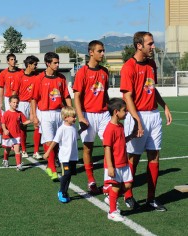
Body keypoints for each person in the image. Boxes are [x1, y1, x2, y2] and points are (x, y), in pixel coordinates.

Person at [120, 31, 172, 211]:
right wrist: (137, 121)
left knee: (154, 155)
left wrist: (164, 106)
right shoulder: (128, 67)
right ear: (139, 45)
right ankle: (128, 195)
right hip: (137, 115)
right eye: (150, 43)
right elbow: (127, 97)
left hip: (153, 115)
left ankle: (151, 198)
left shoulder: (151, 64)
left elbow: (152, 88)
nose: (153, 46)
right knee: (133, 158)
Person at [72, 40, 110, 194]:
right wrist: (80, 116)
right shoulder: (82, 72)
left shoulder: (105, 72)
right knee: (88, 148)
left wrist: (112, 111)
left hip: (104, 115)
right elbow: (77, 96)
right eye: (100, 51)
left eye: (103, 51)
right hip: (87, 115)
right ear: (91, 52)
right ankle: (91, 180)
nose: (102, 53)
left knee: (110, 146)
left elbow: (105, 93)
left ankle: (108, 181)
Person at [31, 52, 72, 181]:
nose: (57, 64)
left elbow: (66, 95)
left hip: (59, 112)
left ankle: (53, 165)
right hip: (45, 113)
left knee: (59, 141)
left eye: (58, 62)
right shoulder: (39, 78)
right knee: (49, 141)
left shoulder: (61, 78)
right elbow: (34, 99)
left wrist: (70, 110)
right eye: (55, 62)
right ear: (47, 63)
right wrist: (34, 115)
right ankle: (52, 168)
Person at [103, 98, 137, 222]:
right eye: (124, 110)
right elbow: (107, 148)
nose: (127, 112)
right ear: (116, 112)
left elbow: (121, 141)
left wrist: (132, 136)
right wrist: (110, 166)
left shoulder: (120, 126)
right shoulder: (110, 129)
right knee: (116, 187)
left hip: (124, 162)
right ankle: (112, 212)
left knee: (128, 184)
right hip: (115, 164)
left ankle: (110, 194)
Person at [43, 106, 78, 203]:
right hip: (65, 157)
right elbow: (55, 141)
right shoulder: (61, 129)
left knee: (69, 175)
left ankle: (65, 191)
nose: (75, 118)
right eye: (73, 117)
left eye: (75, 116)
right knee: (66, 173)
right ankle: (61, 191)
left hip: (73, 156)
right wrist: (48, 152)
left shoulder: (73, 127)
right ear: (66, 117)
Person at [13, 55, 40, 158]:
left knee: (37, 125)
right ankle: (23, 150)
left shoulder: (37, 76)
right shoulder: (19, 76)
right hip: (23, 104)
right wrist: (14, 105)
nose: (36, 66)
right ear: (29, 65)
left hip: (34, 103)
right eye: (35, 64)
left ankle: (36, 151)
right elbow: (15, 92)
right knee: (23, 127)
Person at [1, 95, 31, 171]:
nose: (15, 104)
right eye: (14, 102)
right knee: (7, 150)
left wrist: (31, 120)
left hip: (16, 135)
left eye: (17, 103)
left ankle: (18, 165)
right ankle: (5, 160)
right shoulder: (6, 113)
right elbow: (3, 123)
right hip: (8, 135)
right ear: (9, 103)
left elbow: (24, 121)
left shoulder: (19, 113)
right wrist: (5, 130)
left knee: (17, 150)